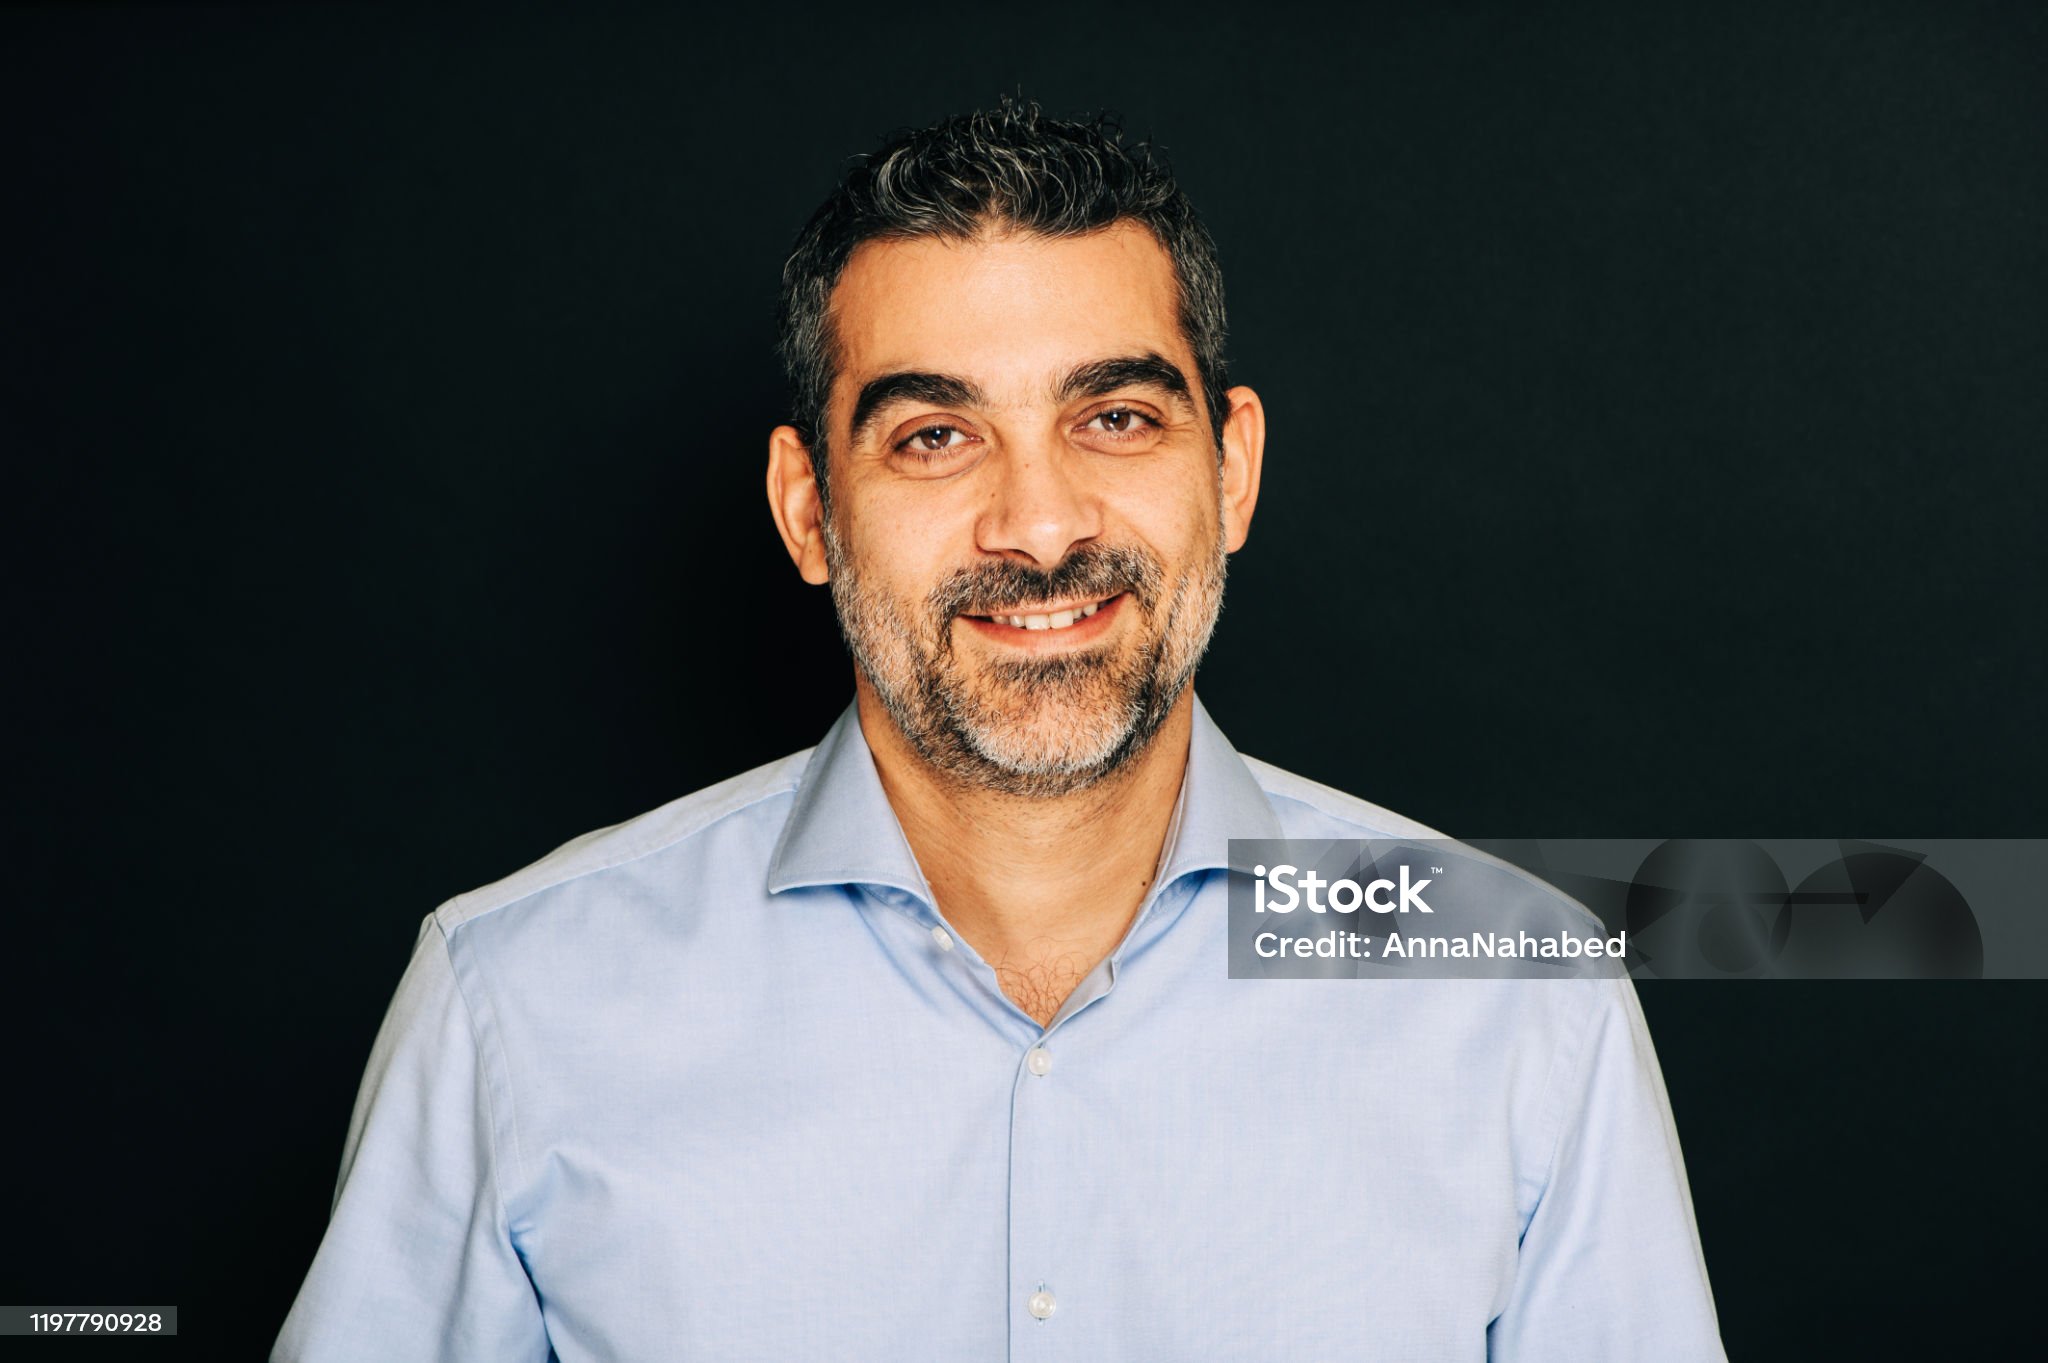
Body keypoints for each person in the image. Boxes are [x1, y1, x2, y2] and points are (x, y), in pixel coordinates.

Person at [274, 102, 1725, 1361]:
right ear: (807, 510)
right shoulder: (517, 1006)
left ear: (1232, 470)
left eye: (1115, 419)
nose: (1039, 528)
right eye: (934, 435)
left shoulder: (1523, 998)